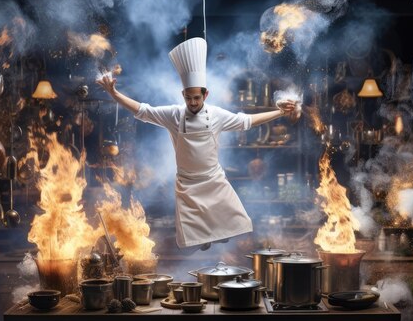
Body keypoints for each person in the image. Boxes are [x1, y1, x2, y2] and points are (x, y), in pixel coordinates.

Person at [97, 37, 296, 251]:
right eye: (189, 98)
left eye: (197, 98)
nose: (192, 103)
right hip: (187, 185)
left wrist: (279, 112)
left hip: (213, 180)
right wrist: (114, 93)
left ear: (205, 95)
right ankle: (205, 236)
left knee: (233, 227)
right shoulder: (174, 114)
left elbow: (247, 121)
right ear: (183, 94)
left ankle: (214, 234)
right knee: (197, 238)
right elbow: (142, 110)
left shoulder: (217, 115)